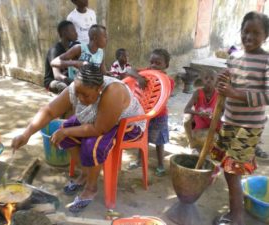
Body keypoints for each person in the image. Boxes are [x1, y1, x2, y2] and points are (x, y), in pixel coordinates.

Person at [11, 64, 146, 213]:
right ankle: (86, 173)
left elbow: (99, 129)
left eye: (86, 95)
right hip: (96, 120)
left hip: (127, 124)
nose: (80, 99)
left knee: (91, 145)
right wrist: (26, 134)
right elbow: (49, 111)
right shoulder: (77, 88)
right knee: (61, 133)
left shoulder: (113, 91)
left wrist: (68, 132)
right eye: (77, 93)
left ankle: (91, 187)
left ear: (99, 89)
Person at [211, 11, 269, 225]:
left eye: (256, 33)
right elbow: (226, 87)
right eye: (246, 32)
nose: (249, 37)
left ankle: (237, 218)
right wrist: (222, 83)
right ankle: (235, 212)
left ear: (266, 36)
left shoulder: (265, 61)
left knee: (232, 170)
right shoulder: (234, 57)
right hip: (229, 120)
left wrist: (236, 93)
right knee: (228, 169)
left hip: (249, 126)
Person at [128, 49, 174, 177]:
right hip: (144, 114)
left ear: (166, 65)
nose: (153, 65)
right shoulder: (147, 72)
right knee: (143, 137)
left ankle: (160, 164)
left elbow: (162, 95)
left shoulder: (168, 80)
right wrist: (139, 77)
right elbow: (129, 70)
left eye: (158, 63)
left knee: (159, 141)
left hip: (159, 115)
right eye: (152, 62)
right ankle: (139, 160)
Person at [183, 70, 219, 152]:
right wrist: (198, 113)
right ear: (203, 80)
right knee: (186, 119)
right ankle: (191, 142)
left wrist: (214, 115)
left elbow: (223, 111)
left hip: (212, 121)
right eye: (206, 78)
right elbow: (186, 109)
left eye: (212, 79)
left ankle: (210, 146)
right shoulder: (198, 93)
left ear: (216, 82)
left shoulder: (219, 95)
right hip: (199, 119)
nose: (208, 80)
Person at [44, 20, 80, 94]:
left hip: (68, 78)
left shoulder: (74, 48)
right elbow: (57, 75)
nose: (76, 33)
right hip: (53, 81)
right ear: (64, 33)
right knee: (63, 87)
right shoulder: (55, 50)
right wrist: (73, 82)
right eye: (73, 31)